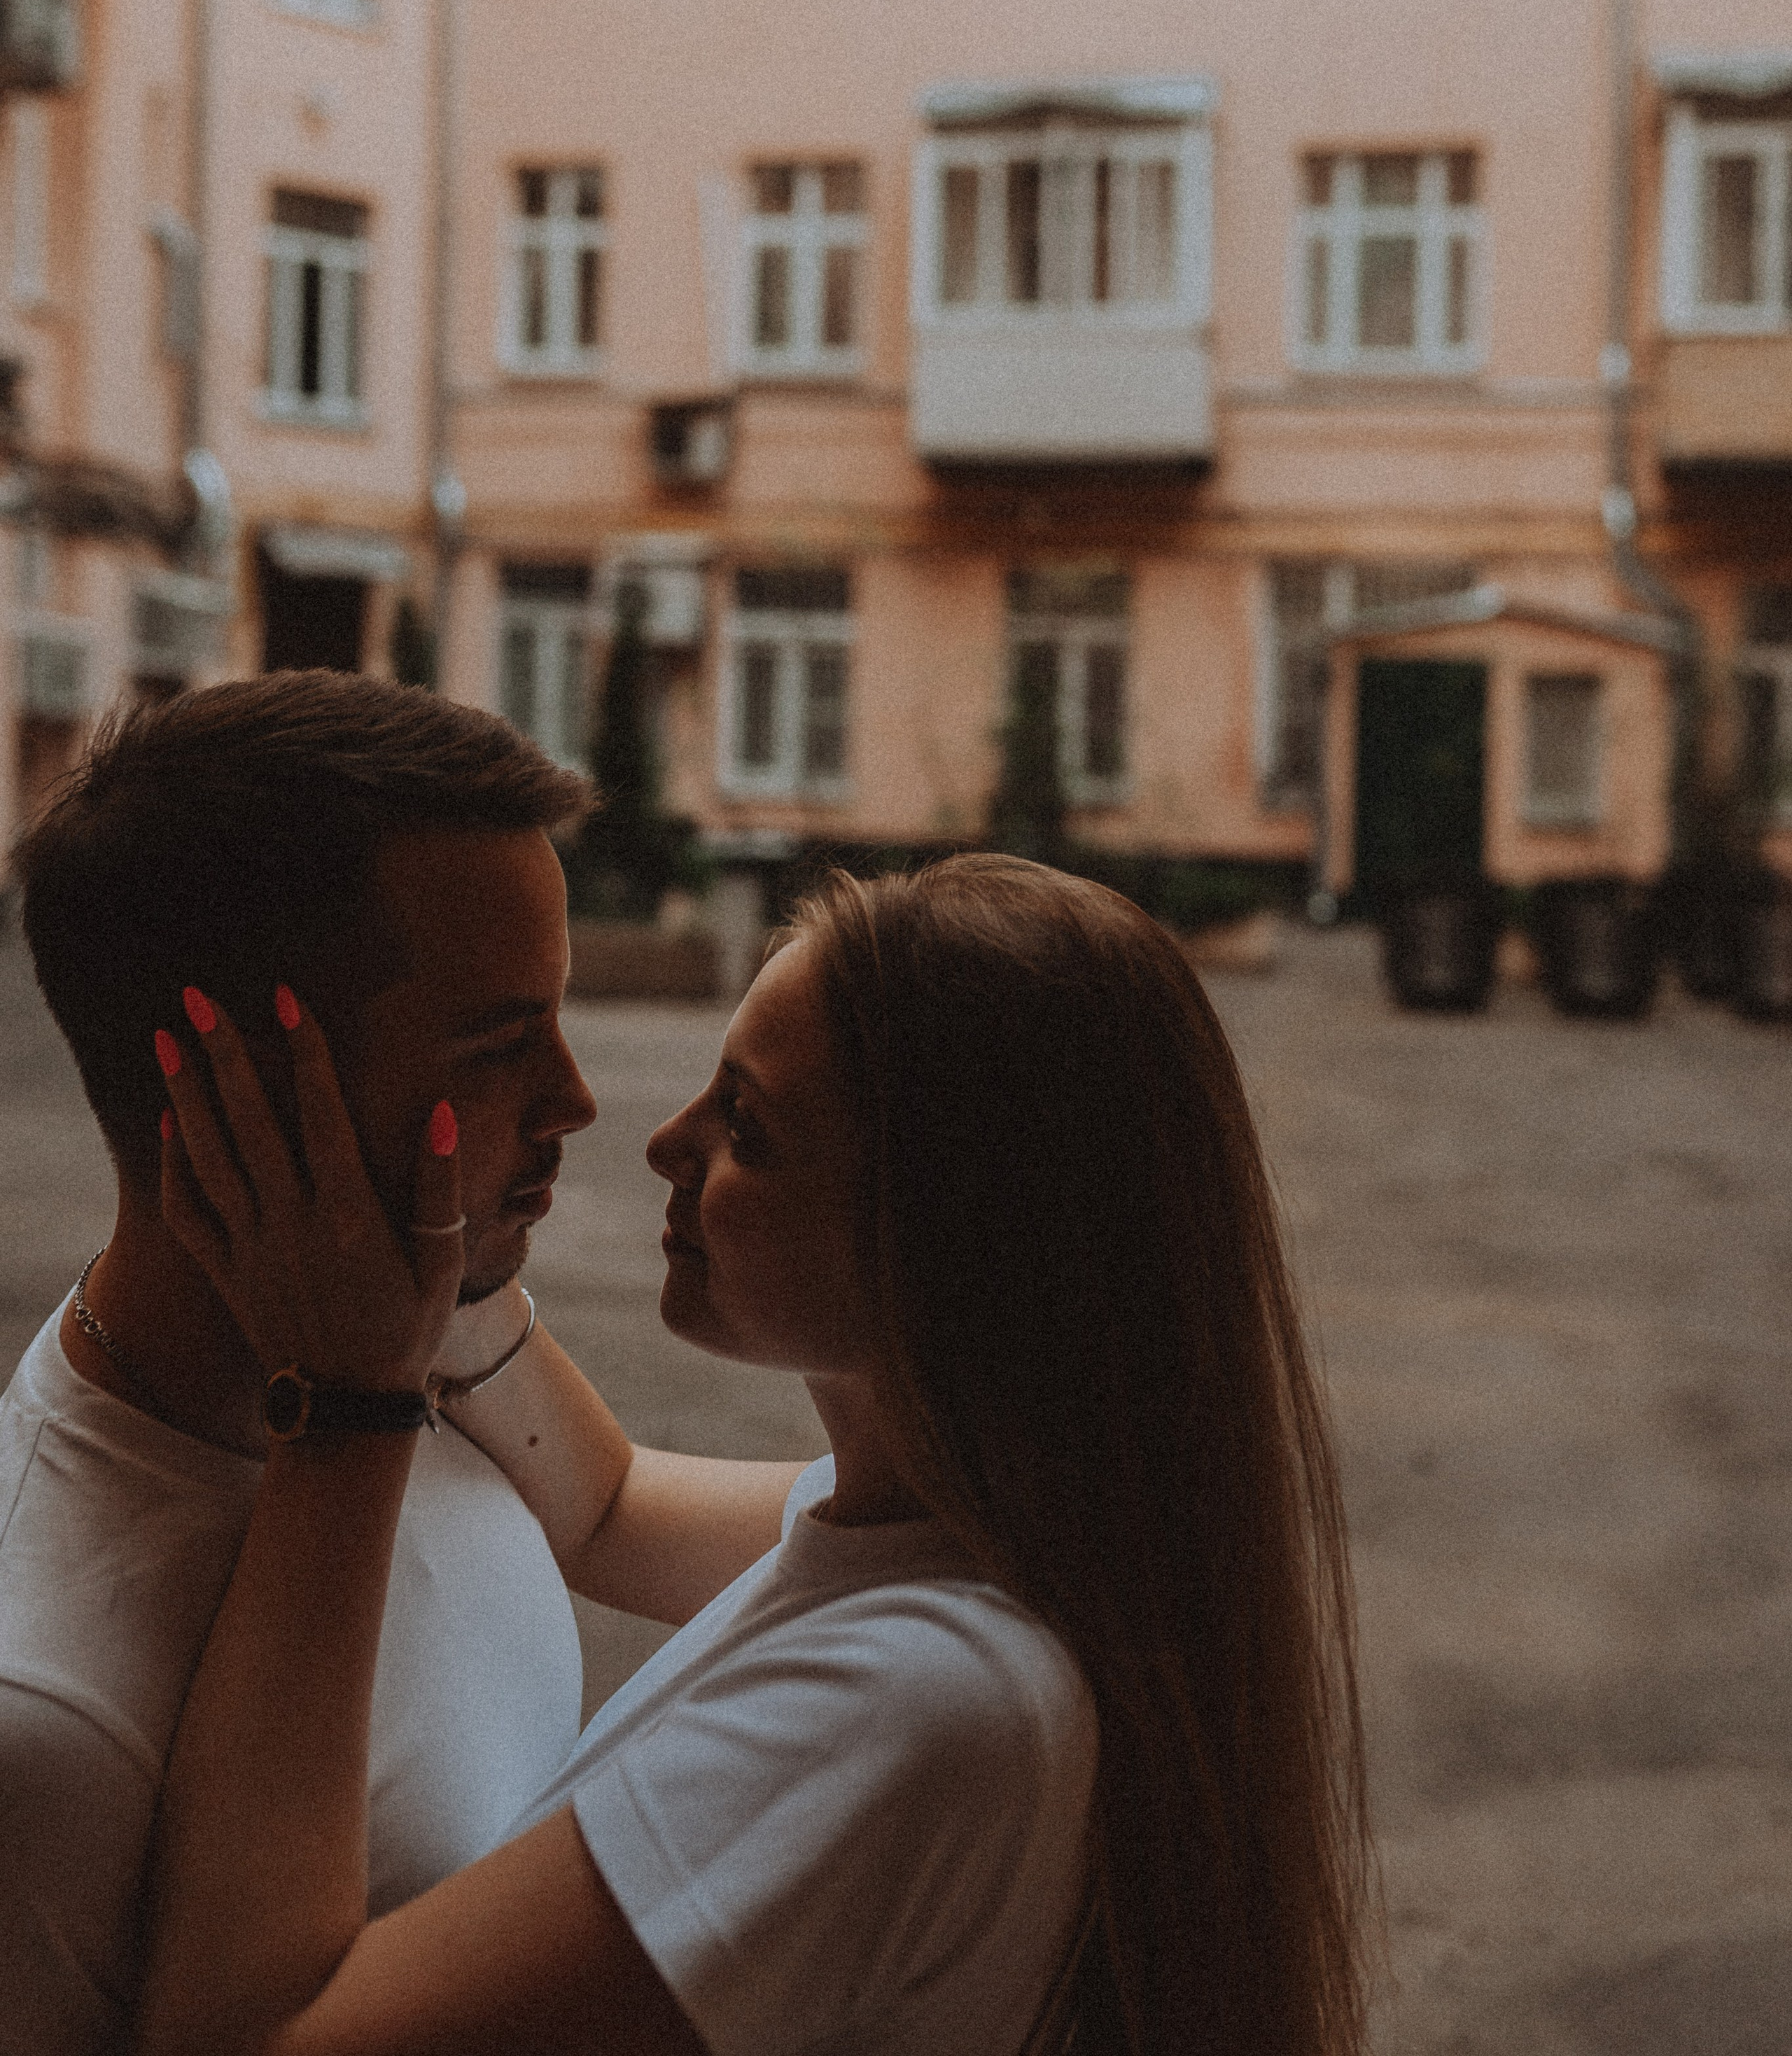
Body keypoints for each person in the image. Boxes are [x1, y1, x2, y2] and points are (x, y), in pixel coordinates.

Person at [134, 852, 1373, 2056]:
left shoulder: (921, 1705)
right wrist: (416, 1233)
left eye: (751, 1128)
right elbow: (608, 1508)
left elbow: (247, 2040)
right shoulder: (985, 1532)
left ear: (951, 1247)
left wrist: (345, 1405)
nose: (667, 1142)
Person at [0, 671, 608, 2055]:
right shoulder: (41, 1718)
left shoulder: (416, 1314)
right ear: (244, 1088)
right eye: (503, 1045)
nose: (578, 1101)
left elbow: (625, 1509)